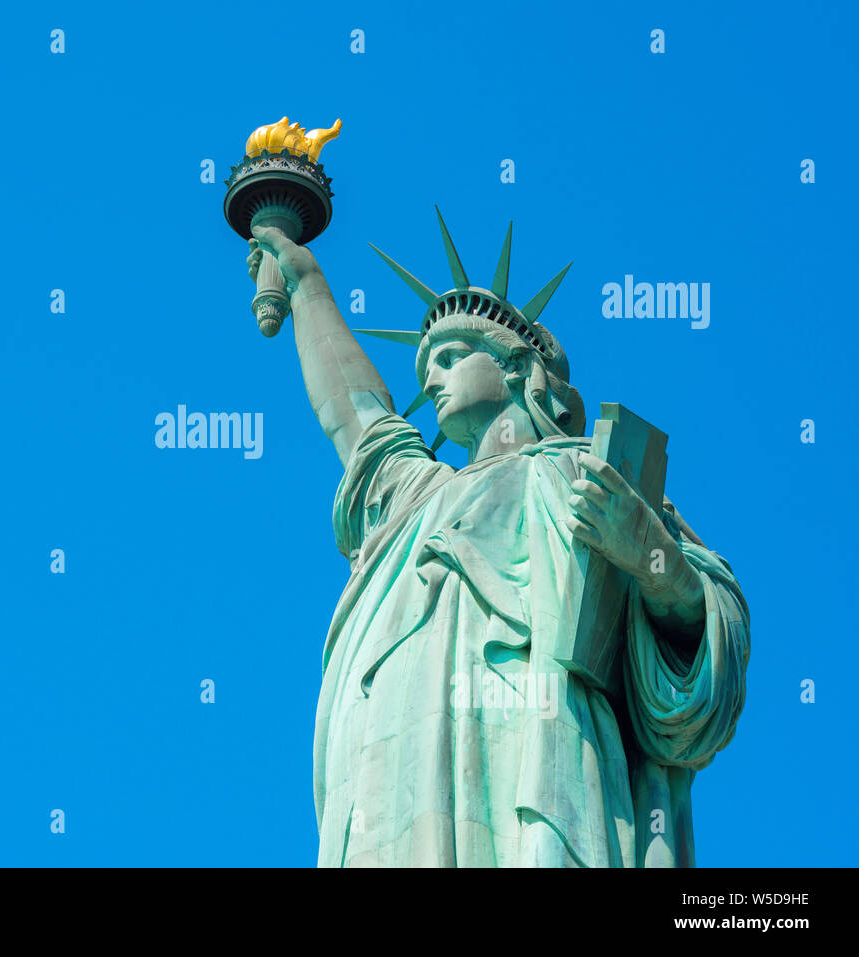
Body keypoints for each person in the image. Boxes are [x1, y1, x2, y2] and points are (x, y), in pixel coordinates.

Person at [246, 214, 749, 867]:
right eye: (429, 367)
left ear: (518, 366)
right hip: (392, 785)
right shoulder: (415, 499)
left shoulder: (592, 477)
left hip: (544, 769)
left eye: (452, 357)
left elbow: (712, 641)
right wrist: (305, 280)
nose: (430, 380)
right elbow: (357, 418)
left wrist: (649, 558)